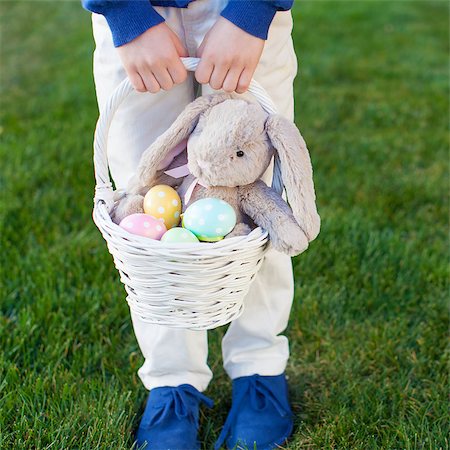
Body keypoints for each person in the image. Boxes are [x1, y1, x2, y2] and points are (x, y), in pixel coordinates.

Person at [82, 0, 297, 448]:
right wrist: (124, 13)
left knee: (253, 189)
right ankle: (172, 378)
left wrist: (252, 13)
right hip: (137, 16)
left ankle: (259, 367)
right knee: (146, 191)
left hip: (242, 14)